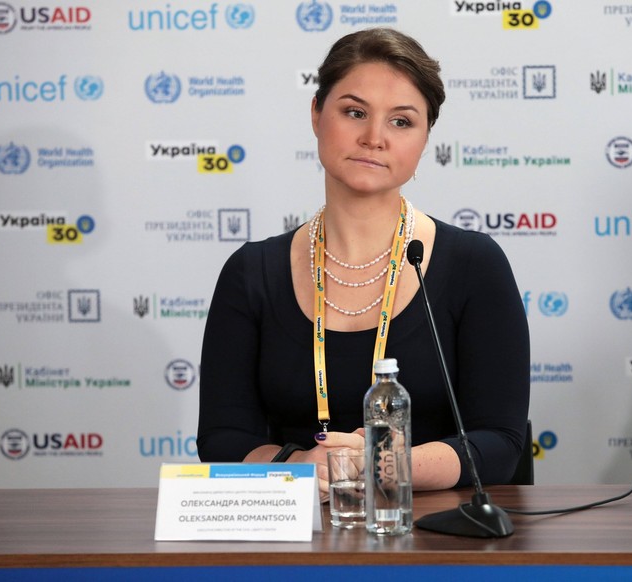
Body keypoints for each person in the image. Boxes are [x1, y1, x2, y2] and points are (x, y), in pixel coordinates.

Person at [197, 28, 529, 495]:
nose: (374, 138)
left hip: (437, 540)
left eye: (401, 121)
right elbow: (222, 438)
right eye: (354, 112)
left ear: (425, 137)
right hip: (295, 536)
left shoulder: (475, 264)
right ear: (316, 114)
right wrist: (302, 465)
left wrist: (383, 465)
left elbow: (501, 442)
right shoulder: (251, 272)